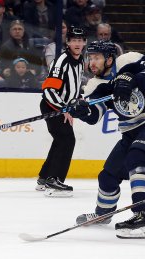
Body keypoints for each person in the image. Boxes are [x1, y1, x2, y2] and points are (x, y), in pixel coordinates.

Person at [71, 40, 145, 239]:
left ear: (109, 59)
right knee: (108, 175)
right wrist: (82, 111)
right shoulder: (95, 85)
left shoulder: (129, 60)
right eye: (90, 58)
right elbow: (95, 114)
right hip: (131, 132)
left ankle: (142, 217)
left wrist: (132, 80)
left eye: (96, 58)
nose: (91, 63)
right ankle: (103, 214)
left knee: (137, 159)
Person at [36, 26, 87, 197]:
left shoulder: (80, 60)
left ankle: (44, 177)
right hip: (52, 106)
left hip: (62, 108)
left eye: (80, 40)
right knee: (67, 139)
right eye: (74, 40)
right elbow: (49, 91)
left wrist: (78, 98)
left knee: (60, 140)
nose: (77, 44)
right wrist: (63, 108)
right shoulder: (62, 61)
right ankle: (54, 180)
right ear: (68, 42)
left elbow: (74, 86)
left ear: (85, 42)